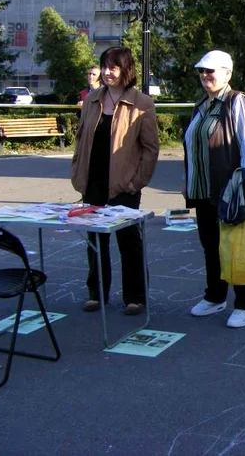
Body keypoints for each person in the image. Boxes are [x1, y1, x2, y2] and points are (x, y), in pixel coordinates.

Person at [71, 47, 159, 315]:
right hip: (93, 182)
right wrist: (77, 171)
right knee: (95, 241)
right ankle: (96, 293)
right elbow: (82, 138)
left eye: (114, 67)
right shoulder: (91, 101)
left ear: (126, 70)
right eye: (105, 66)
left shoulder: (142, 103)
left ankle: (135, 297)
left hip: (124, 185)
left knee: (128, 241)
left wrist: (136, 183)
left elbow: (150, 148)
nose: (108, 72)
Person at [184, 50, 245, 328]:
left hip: (229, 190)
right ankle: (215, 297)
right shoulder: (201, 106)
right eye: (202, 71)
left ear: (227, 73)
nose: (205, 75)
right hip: (203, 190)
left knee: (237, 247)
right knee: (211, 246)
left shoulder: (236, 101)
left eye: (211, 70)